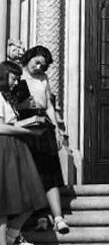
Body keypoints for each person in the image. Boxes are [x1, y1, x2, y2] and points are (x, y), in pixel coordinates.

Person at [18, 46, 69, 233]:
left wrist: (56, 130)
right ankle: (41, 216)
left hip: (43, 125)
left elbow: (48, 105)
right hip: (25, 125)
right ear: (29, 57)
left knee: (49, 172)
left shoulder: (44, 78)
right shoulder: (18, 75)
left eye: (43, 64)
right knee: (32, 174)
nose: (39, 66)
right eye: (36, 62)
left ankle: (58, 218)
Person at [0, 61, 47, 245]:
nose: (16, 82)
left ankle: (12, 234)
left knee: (32, 194)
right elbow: (1, 128)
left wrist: (31, 122)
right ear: (3, 77)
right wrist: (28, 130)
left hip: (17, 146)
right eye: (13, 77)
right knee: (4, 200)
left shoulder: (8, 98)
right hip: (4, 147)